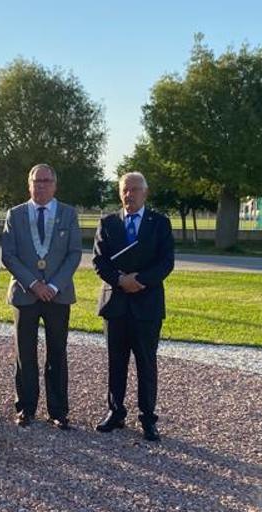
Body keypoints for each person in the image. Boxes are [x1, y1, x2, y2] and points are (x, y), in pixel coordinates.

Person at [92, 172, 175, 442]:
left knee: (146, 364)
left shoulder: (160, 223)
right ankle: (115, 412)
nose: (130, 195)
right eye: (125, 190)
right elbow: (99, 261)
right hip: (115, 304)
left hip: (146, 305)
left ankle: (148, 418)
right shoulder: (107, 222)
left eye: (135, 190)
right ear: (120, 193)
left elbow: (166, 263)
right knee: (116, 362)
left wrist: (138, 280)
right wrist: (119, 280)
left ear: (145, 193)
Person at [1, 164, 82, 429]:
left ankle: (58, 410)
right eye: (37, 181)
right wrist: (35, 284)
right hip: (26, 294)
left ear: (55, 185)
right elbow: (9, 255)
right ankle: (25, 407)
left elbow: (74, 254)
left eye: (47, 181)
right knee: (25, 353)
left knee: (57, 352)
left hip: (58, 295)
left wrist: (54, 286)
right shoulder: (16, 214)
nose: (42, 186)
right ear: (29, 185)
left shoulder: (69, 214)